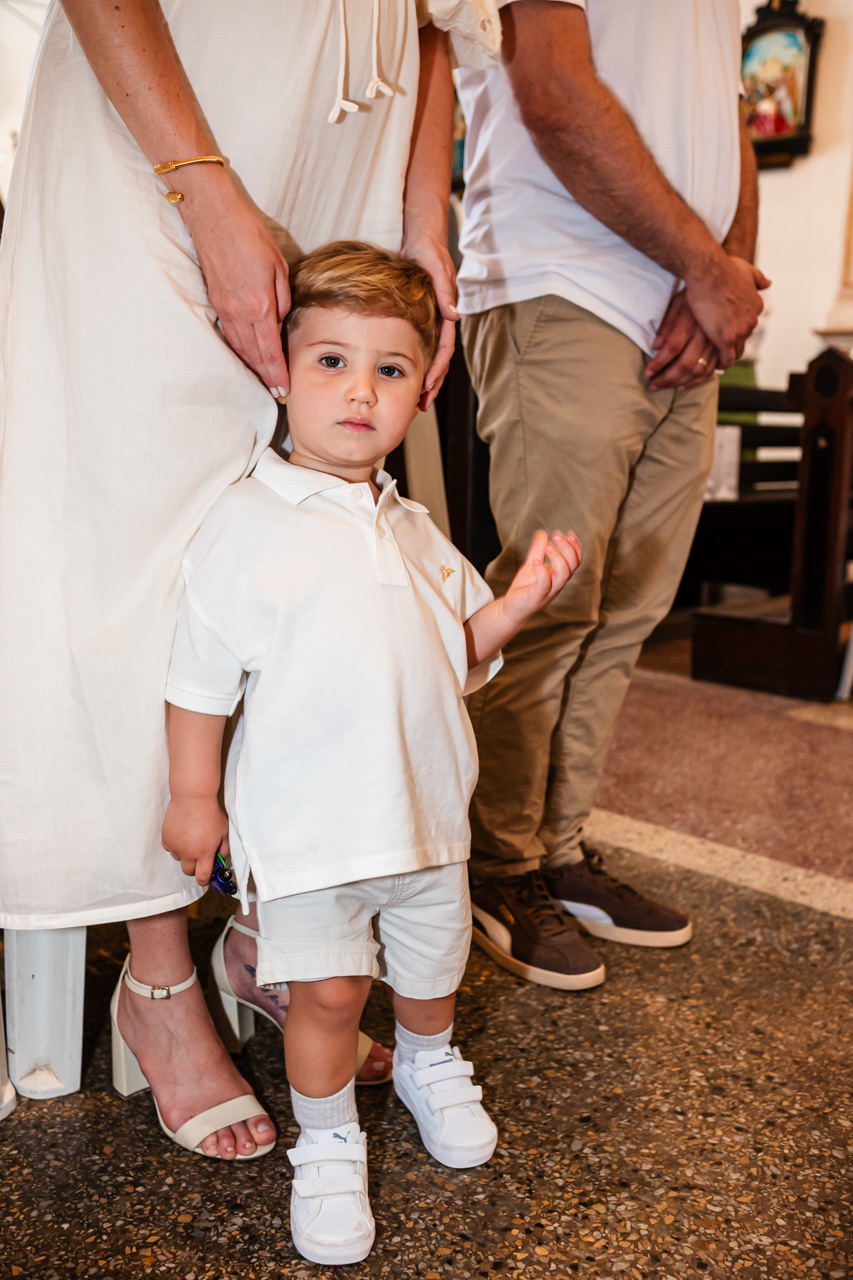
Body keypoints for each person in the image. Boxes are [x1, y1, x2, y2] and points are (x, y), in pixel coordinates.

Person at [0, 0, 499, 1158]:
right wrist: (204, 188)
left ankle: (281, 930)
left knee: (313, 548)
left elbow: (438, 19)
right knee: (146, 549)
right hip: (167, 128)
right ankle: (158, 978)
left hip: (356, 148)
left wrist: (427, 215)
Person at [157, 241, 582, 1264]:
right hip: (310, 836)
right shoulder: (247, 522)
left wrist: (518, 600)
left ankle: (434, 1066)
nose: (360, 391)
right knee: (330, 995)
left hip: (428, 820)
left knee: (432, 973)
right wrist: (192, 796)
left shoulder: (417, 527)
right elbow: (199, 678)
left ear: (419, 391)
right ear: (283, 373)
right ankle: (330, 1142)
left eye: (389, 369)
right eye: (332, 362)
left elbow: (455, 652)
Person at [454, 0, 769, 988]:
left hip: (687, 295)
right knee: (549, 600)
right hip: (563, 276)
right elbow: (548, 87)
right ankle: (496, 864)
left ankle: (555, 848)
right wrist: (699, 263)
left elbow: (724, 119)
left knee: (628, 606)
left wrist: (727, 278)